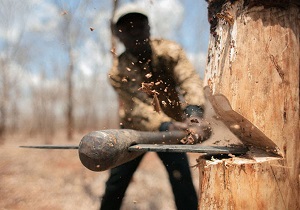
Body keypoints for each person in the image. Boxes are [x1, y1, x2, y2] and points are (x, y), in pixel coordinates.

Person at [100, 4, 211, 210]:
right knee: (116, 183)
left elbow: (189, 80)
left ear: (149, 28)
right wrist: (167, 126)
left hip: (173, 130)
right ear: (118, 35)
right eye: (127, 28)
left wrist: (194, 114)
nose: (134, 31)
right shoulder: (118, 71)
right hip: (134, 131)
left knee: (182, 180)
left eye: (139, 26)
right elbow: (137, 108)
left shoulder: (169, 51)